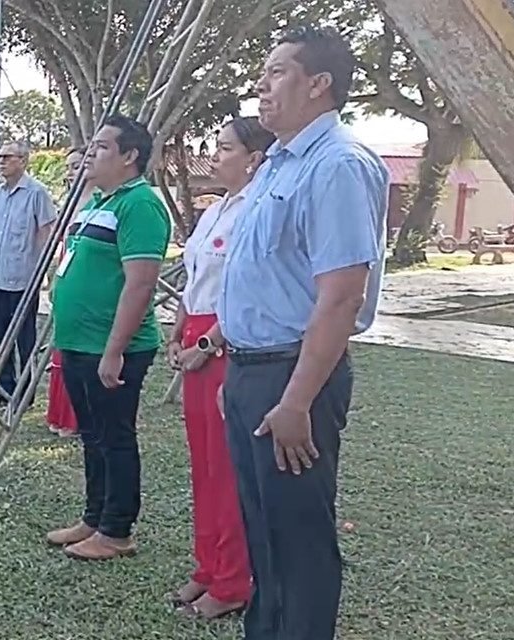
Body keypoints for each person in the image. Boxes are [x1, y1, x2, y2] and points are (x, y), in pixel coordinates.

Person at [217, 26, 389, 640]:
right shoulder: (277, 164)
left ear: (319, 84)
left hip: (293, 376)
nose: (261, 86)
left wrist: (295, 401)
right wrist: (235, 365)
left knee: (298, 541)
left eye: (277, 72)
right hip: (252, 371)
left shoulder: (338, 164)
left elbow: (342, 295)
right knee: (264, 536)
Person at [45, 114, 170, 560]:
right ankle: (94, 517)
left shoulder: (140, 205)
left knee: (114, 437)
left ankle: (117, 530)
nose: (90, 155)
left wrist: (114, 350)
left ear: (129, 156)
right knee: (92, 435)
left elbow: (140, 283)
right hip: (78, 343)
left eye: (100, 148)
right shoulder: (98, 201)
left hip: (113, 348)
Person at [165, 116, 274, 621]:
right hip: (196, 337)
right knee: (204, 464)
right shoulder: (215, 210)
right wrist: (178, 331)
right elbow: (196, 281)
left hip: (227, 343)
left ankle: (232, 580)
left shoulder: (257, 210)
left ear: (253, 159)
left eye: (226, 147)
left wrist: (208, 343)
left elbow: (250, 290)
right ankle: (208, 565)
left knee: (227, 469)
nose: (215, 154)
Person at [0, 141, 57, 405]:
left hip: (24, 278)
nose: (1, 161)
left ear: (23, 161)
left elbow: (47, 233)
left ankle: (26, 392)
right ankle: (4, 388)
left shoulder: (37, 193)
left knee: (25, 338)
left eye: (7, 157)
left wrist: (43, 271)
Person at [45, 146, 95, 437]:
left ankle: (77, 416)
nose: (71, 172)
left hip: (87, 280)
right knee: (61, 346)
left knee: (79, 350)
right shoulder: (70, 203)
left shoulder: (100, 201)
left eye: (77, 166)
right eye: (69, 167)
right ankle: (59, 413)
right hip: (66, 274)